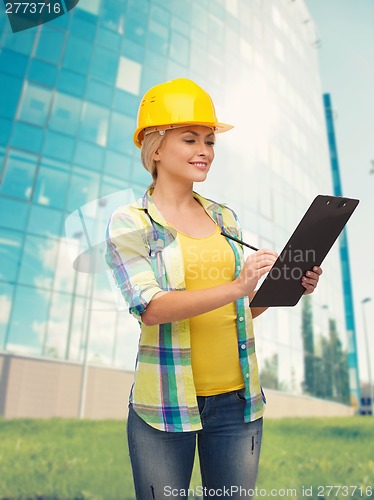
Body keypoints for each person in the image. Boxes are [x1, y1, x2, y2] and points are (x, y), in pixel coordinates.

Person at [105, 78, 322, 500]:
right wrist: (237, 286)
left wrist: (286, 287)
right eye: (190, 139)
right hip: (165, 408)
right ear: (156, 145)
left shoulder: (224, 218)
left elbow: (240, 310)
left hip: (238, 404)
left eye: (209, 140)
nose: (204, 150)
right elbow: (151, 308)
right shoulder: (131, 222)